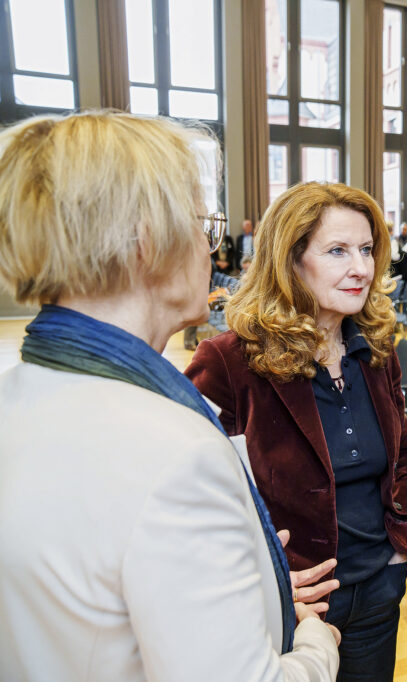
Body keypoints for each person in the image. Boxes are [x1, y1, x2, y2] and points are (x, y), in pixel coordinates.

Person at [0, 111, 340, 681]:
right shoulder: (175, 456)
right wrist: (314, 644)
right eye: (204, 225)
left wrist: (257, 583)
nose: (210, 251)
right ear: (149, 241)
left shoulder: (22, 393)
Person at [186, 182, 407, 680]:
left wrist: (397, 546)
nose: (362, 268)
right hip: (292, 603)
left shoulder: (376, 349)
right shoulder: (227, 362)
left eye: (366, 249)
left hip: (379, 588)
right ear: (290, 259)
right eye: (338, 251)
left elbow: (402, 452)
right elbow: (197, 497)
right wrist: (265, 577)